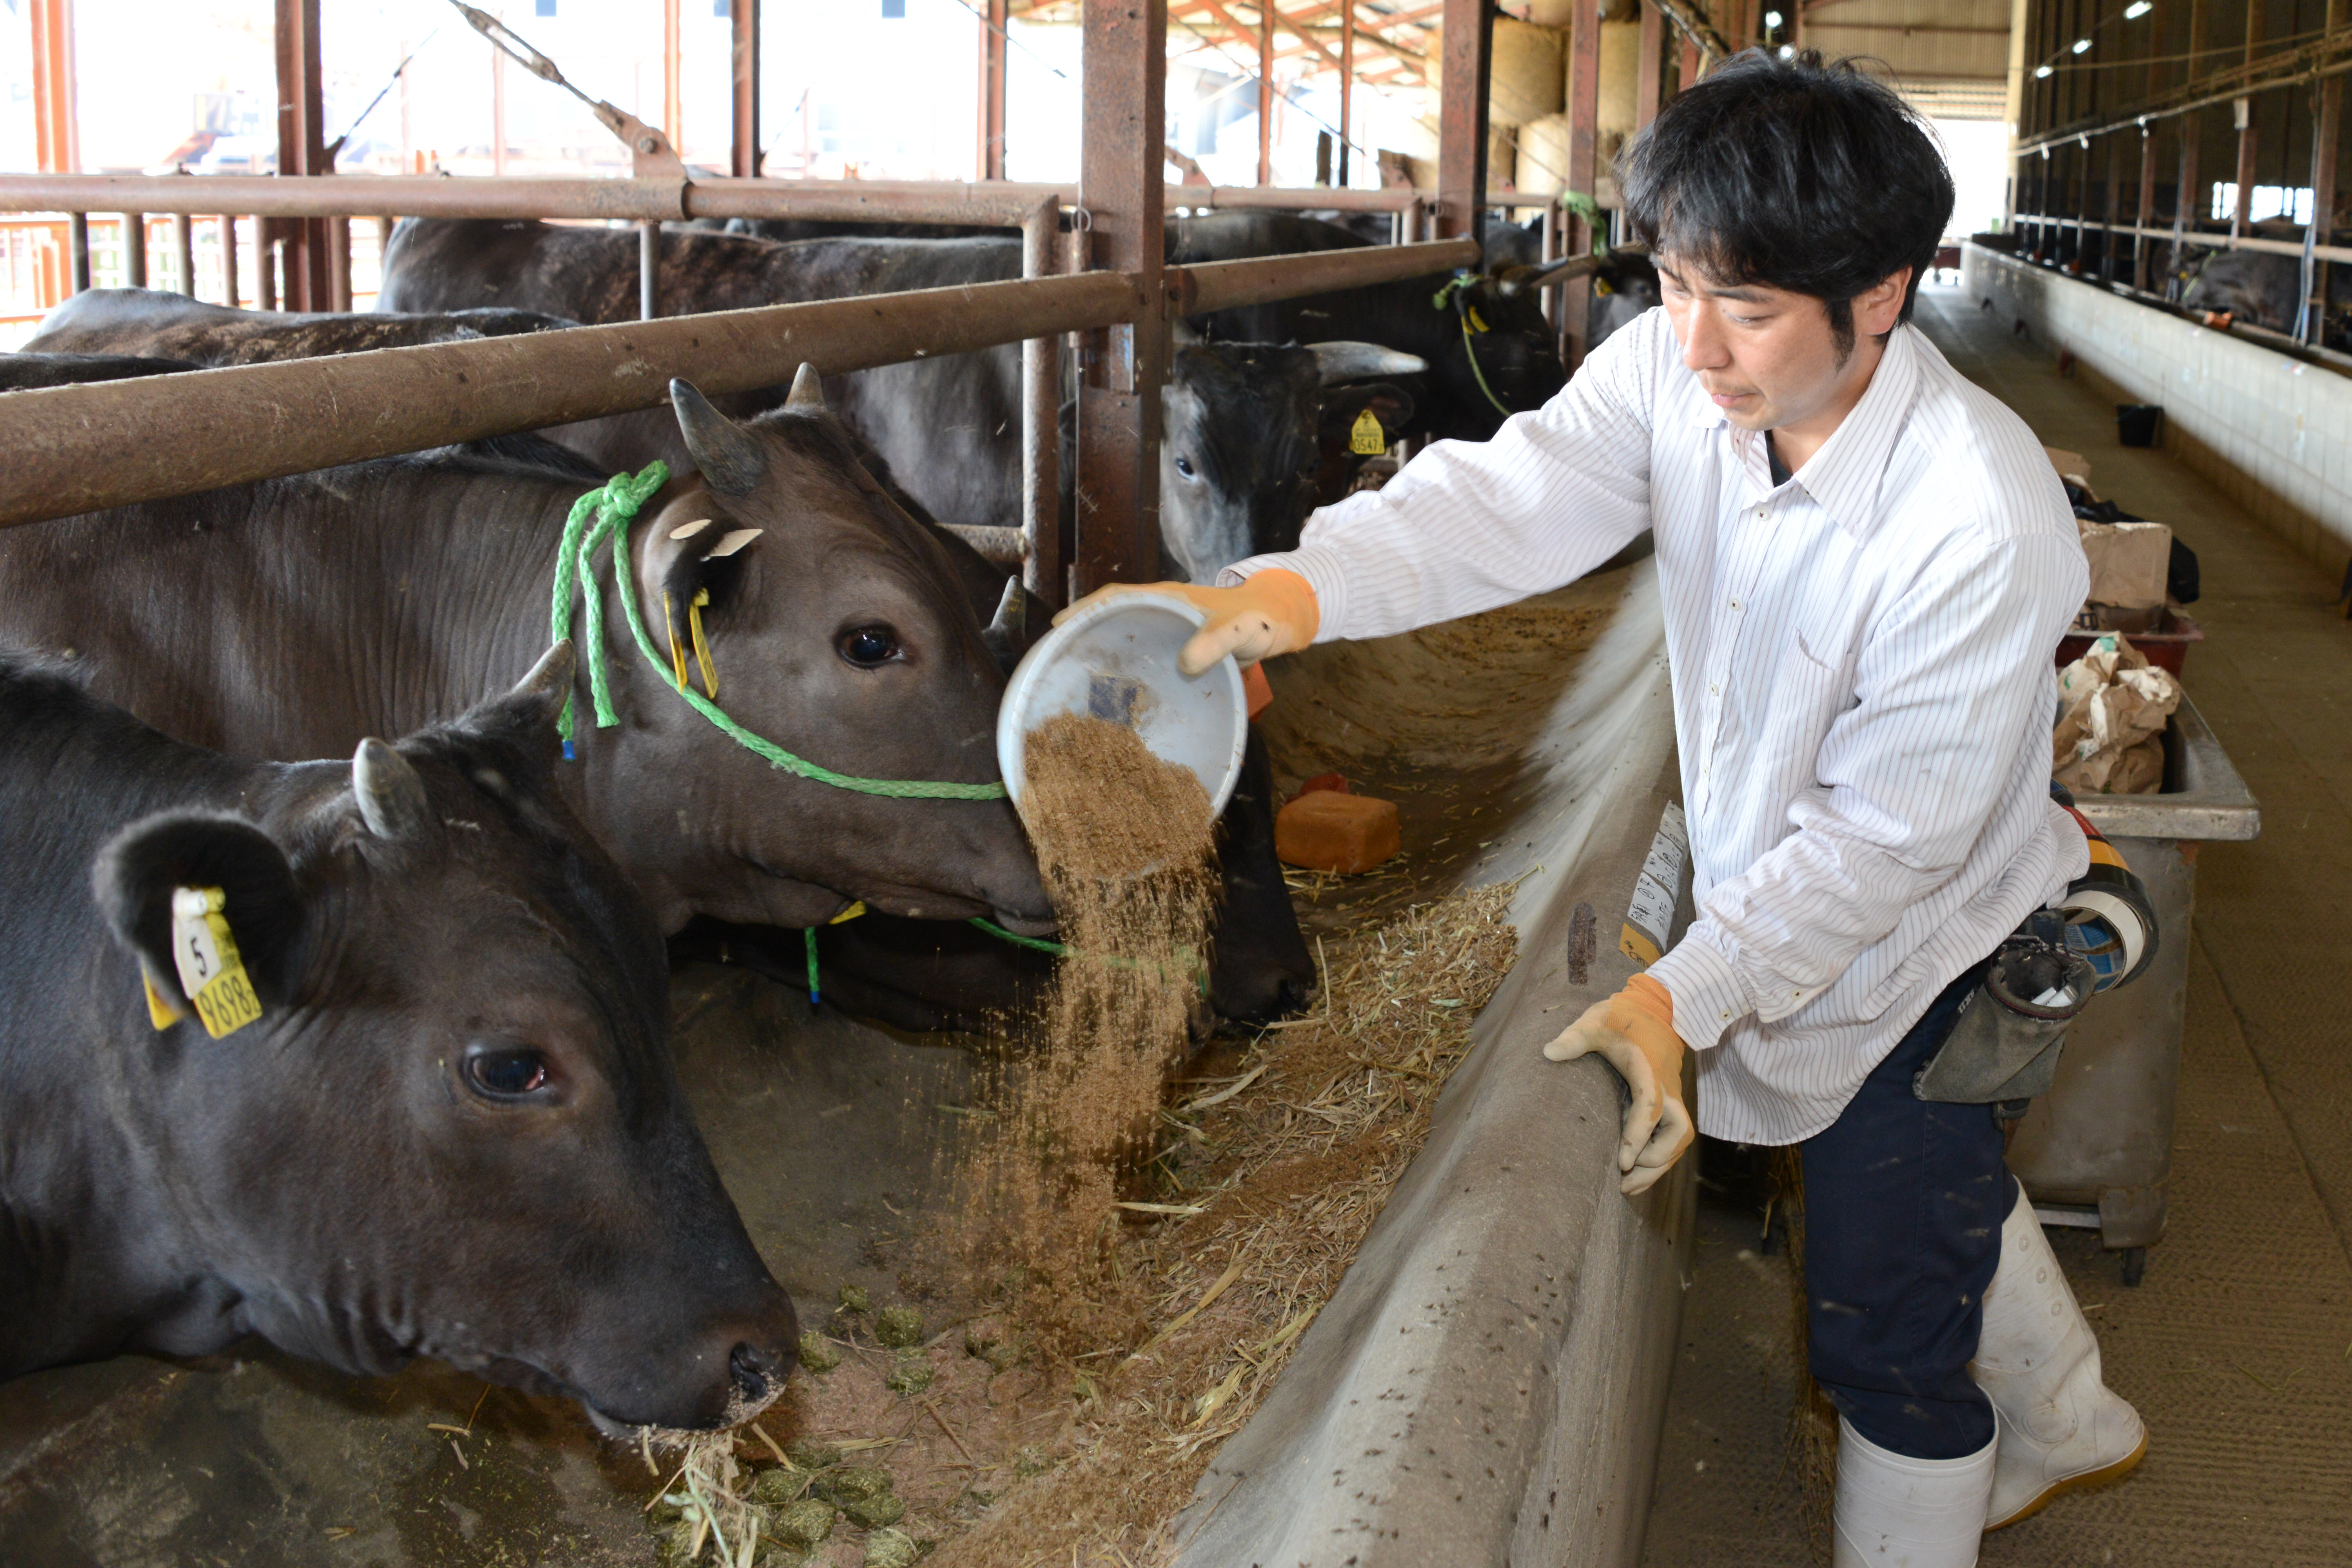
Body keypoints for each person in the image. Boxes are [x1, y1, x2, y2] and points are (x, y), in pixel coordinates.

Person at [1062, 50, 2145, 1568]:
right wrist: (1292, 590)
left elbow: (1884, 846)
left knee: (1882, 1326)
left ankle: (1956, 1459)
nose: (1695, 344)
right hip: (1790, 877)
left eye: (1749, 307)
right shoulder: (1683, 364)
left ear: (1884, 294)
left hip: (1932, 943)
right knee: (1911, 1184)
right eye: (1673, 282)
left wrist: (1680, 989)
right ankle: (2070, 1410)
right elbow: (1514, 497)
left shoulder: (1979, 520)